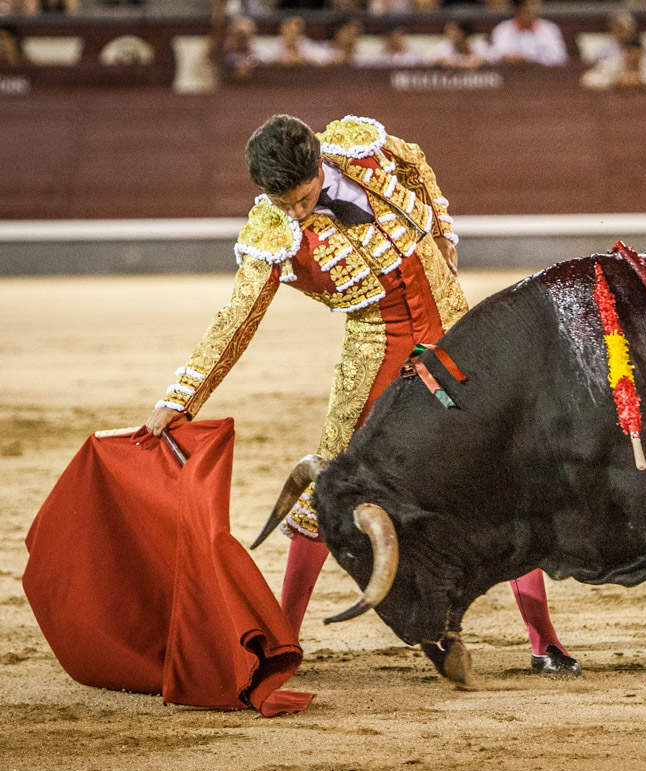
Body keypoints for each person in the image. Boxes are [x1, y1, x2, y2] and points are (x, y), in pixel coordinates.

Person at [144, 114, 580, 678]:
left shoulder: (360, 147)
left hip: (459, 333)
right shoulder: (273, 234)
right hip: (378, 354)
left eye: (303, 198)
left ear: (318, 165)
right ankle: (282, 641)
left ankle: (543, 638)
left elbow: (416, 161)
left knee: (507, 474)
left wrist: (444, 234)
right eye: (285, 204)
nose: (298, 213)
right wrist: (183, 396)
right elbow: (236, 320)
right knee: (326, 485)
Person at [489, 0, 567, 67]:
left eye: (536, 4)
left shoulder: (550, 29)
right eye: (530, 5)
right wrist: (510, 58)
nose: (534, 9)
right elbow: (496, 54)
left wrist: (529, 58)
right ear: (519, 9)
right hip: (511, 78)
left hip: (543, 78)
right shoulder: (502, 30)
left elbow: (560, 57)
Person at [581, 37, 646, 90]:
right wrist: (615, 81)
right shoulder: (613, 65)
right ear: (624, 54)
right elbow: (587, 79)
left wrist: (644, 81)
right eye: (630, 54)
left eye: (636, 54)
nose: (632, 58)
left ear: (641, 54)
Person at [258, 16, 326, 66]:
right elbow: (260, 58)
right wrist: (280, 60)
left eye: (297, 32)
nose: (292, 35)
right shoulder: (272, 45)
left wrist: (305, 59)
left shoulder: (305, 44)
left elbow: (324, 57)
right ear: (282, 30)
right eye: (290, 31)